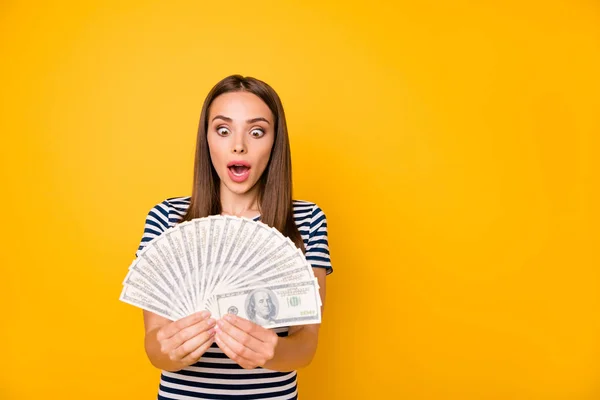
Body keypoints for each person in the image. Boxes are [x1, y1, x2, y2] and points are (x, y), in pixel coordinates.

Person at [134, 75, 333, 399]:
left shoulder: (306, 220)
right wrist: (173, 349)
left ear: (275, 142)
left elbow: (306, 342)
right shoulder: (167, 219)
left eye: (257, 131)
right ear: (207, 139)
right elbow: (154, 347)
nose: (238, 145)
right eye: (223, 130)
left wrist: (273, 351)